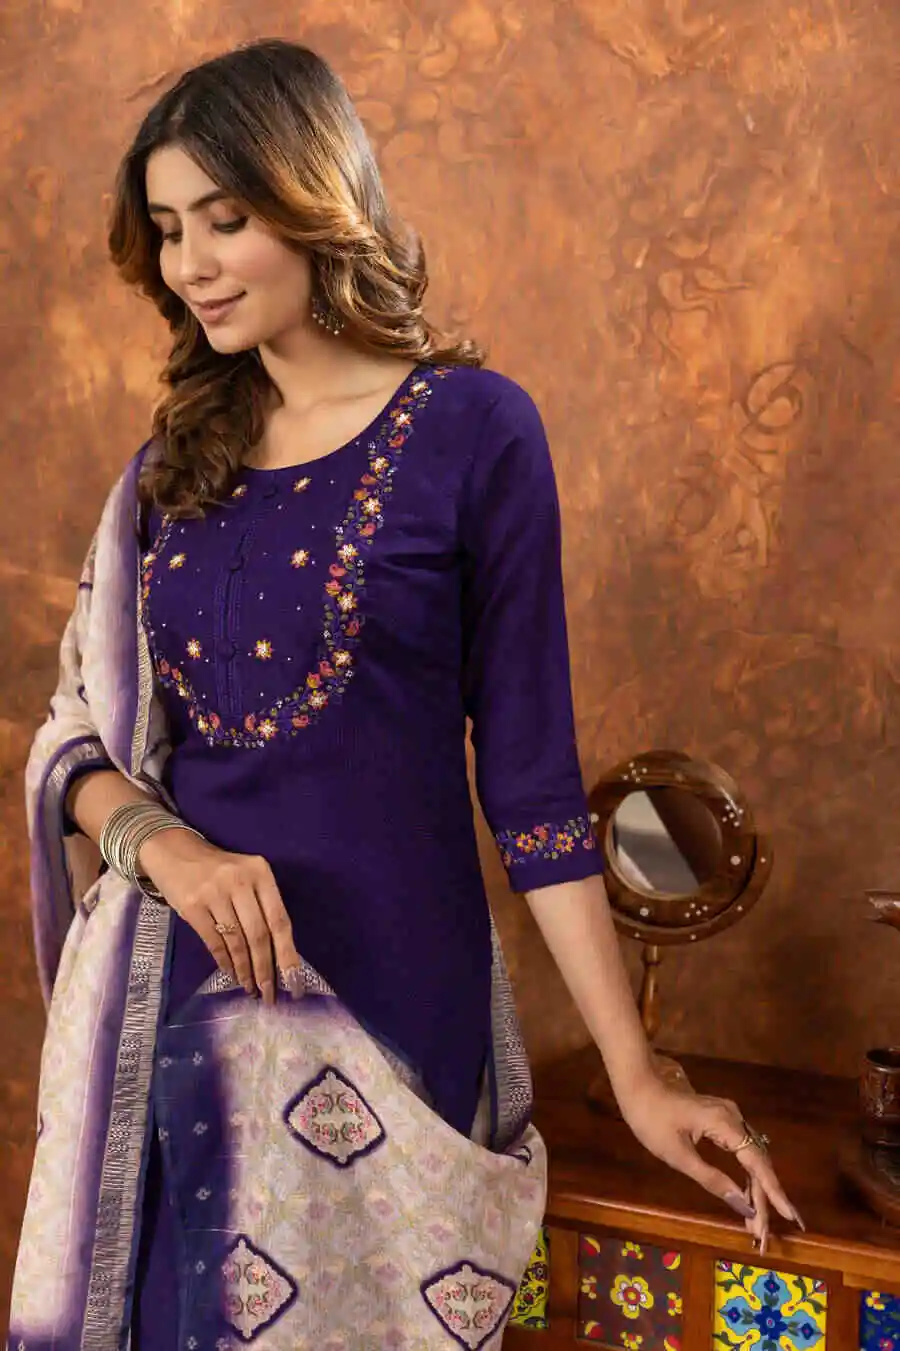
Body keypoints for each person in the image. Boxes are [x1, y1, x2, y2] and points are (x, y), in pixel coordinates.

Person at [9, 38, 800, 1351]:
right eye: (168, 229)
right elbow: (75, 738)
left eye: (225, 218)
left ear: (314, 199)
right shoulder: (167, 474)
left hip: (395, 1004)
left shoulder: (476, 432)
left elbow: (534, 791)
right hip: (184, 1021)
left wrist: (635, 1072)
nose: (191, 262)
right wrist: (170, 849)